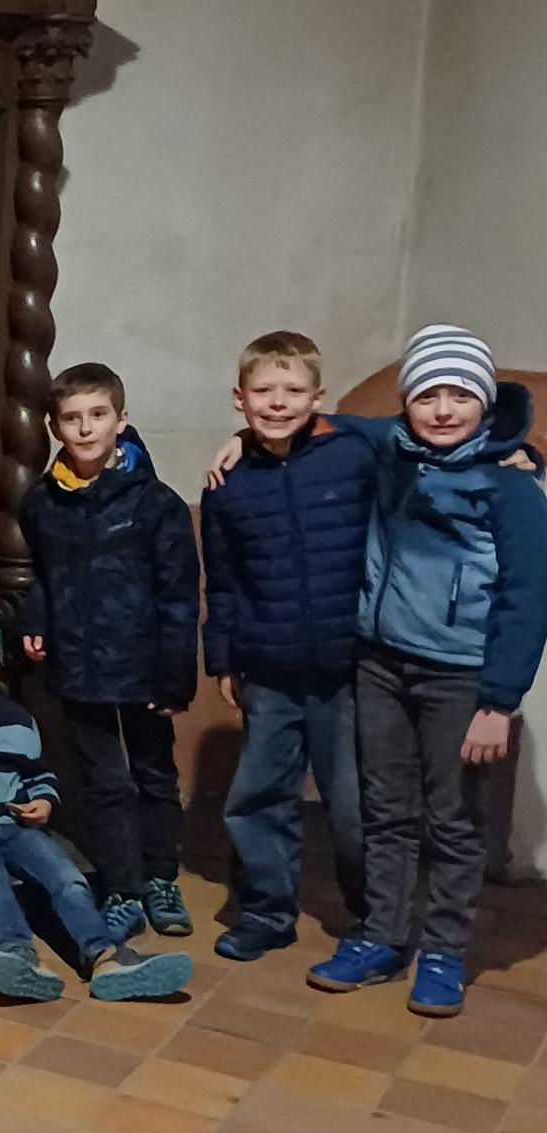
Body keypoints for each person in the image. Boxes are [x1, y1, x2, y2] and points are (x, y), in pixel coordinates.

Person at [305, 326, 547, 1017]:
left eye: (460, 394)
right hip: (380, 662)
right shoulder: (393, 451)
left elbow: (529, 600)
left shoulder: (511, 488)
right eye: (428, 393)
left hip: (461, 677)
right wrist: (250, 437)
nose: (444, 409)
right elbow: (333, 423)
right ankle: (381, 934)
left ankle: (442, 950)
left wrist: (498, 701)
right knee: (387, 810)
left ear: (485, 400)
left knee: (453, 820)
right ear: (407, 402)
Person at [199, 333, 373, 962]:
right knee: (258, 798)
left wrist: (523, 457)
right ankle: (267, 911)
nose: (278, 403)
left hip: (347, 669)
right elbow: (222, 578)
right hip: (268, 670)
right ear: (239, 399)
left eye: (294, 390)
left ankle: (374, 919)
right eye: (263, 391)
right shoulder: (227, 483)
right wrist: (222, 656)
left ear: (318, 397)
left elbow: (419, 446)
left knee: (354, 807)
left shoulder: (353, 456)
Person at [0, 613, 192, 1002]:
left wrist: (44, 801)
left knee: (68, 879)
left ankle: (105, 956)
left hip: (18, 825)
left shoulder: (16, 718)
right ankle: (15, 956)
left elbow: (36, 772)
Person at [19, 362, 199, 941]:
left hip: (146, 667)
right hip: (80, 664)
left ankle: (160, 878)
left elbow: (178, 595)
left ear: (121, 421)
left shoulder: (157, 505)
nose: (86, 428)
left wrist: (176, 677)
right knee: (105, 781)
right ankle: (122, 886)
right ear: (55, 427)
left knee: (153, 774)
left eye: (98, 415)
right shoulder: (44, 503)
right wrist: (38, 622)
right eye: (72, 418)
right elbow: (41, 576)